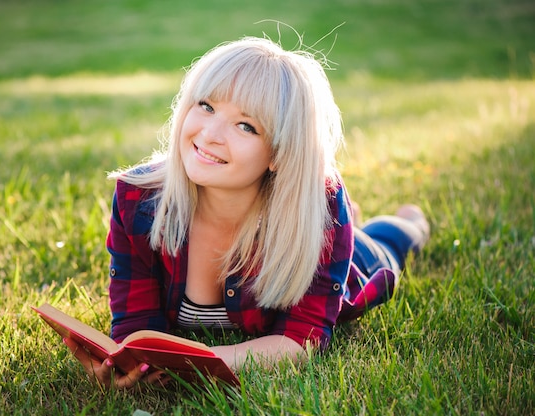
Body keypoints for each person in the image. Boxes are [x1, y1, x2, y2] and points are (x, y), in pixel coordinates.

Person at [64, 36, 429, 389]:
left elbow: (301, 339)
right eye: (206, 105)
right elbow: (135, 325)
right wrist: (126, 365)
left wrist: (196, 362)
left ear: (278, 155)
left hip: (339, 253)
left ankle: (405, 221)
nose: (209, 134)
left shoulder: (320, 211)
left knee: (391, 240)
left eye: (246, 126)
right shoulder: (138, 200)